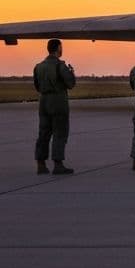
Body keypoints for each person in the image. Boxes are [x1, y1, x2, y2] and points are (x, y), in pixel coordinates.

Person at [33, 38, 77, 175]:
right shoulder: (60, 66)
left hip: (43, 101)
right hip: (58, 101)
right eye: (61, 47)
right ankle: (58, 164)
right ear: (58, 48)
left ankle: (41, 164)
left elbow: (37, 86)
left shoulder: (38, 66)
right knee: (59, 132)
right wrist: (72, 73)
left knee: (44, 133)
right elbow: (70, 84)